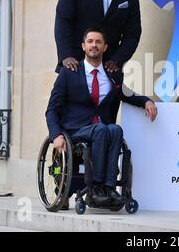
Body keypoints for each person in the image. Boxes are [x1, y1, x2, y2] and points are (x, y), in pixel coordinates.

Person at [46, 28, 157, 208]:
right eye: (90, 42)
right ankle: (95, 188)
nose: (94, 45)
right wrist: (56, 134)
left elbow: (126, 94)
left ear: (105, 47)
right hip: (76, 130)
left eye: (98, 42)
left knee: (115, 129)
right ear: (83, 46)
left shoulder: (112, 74)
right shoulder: (69, 73)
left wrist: (146, 101)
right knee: (103, 130)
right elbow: (52, 109)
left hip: (102, 130)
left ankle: (109, 187)